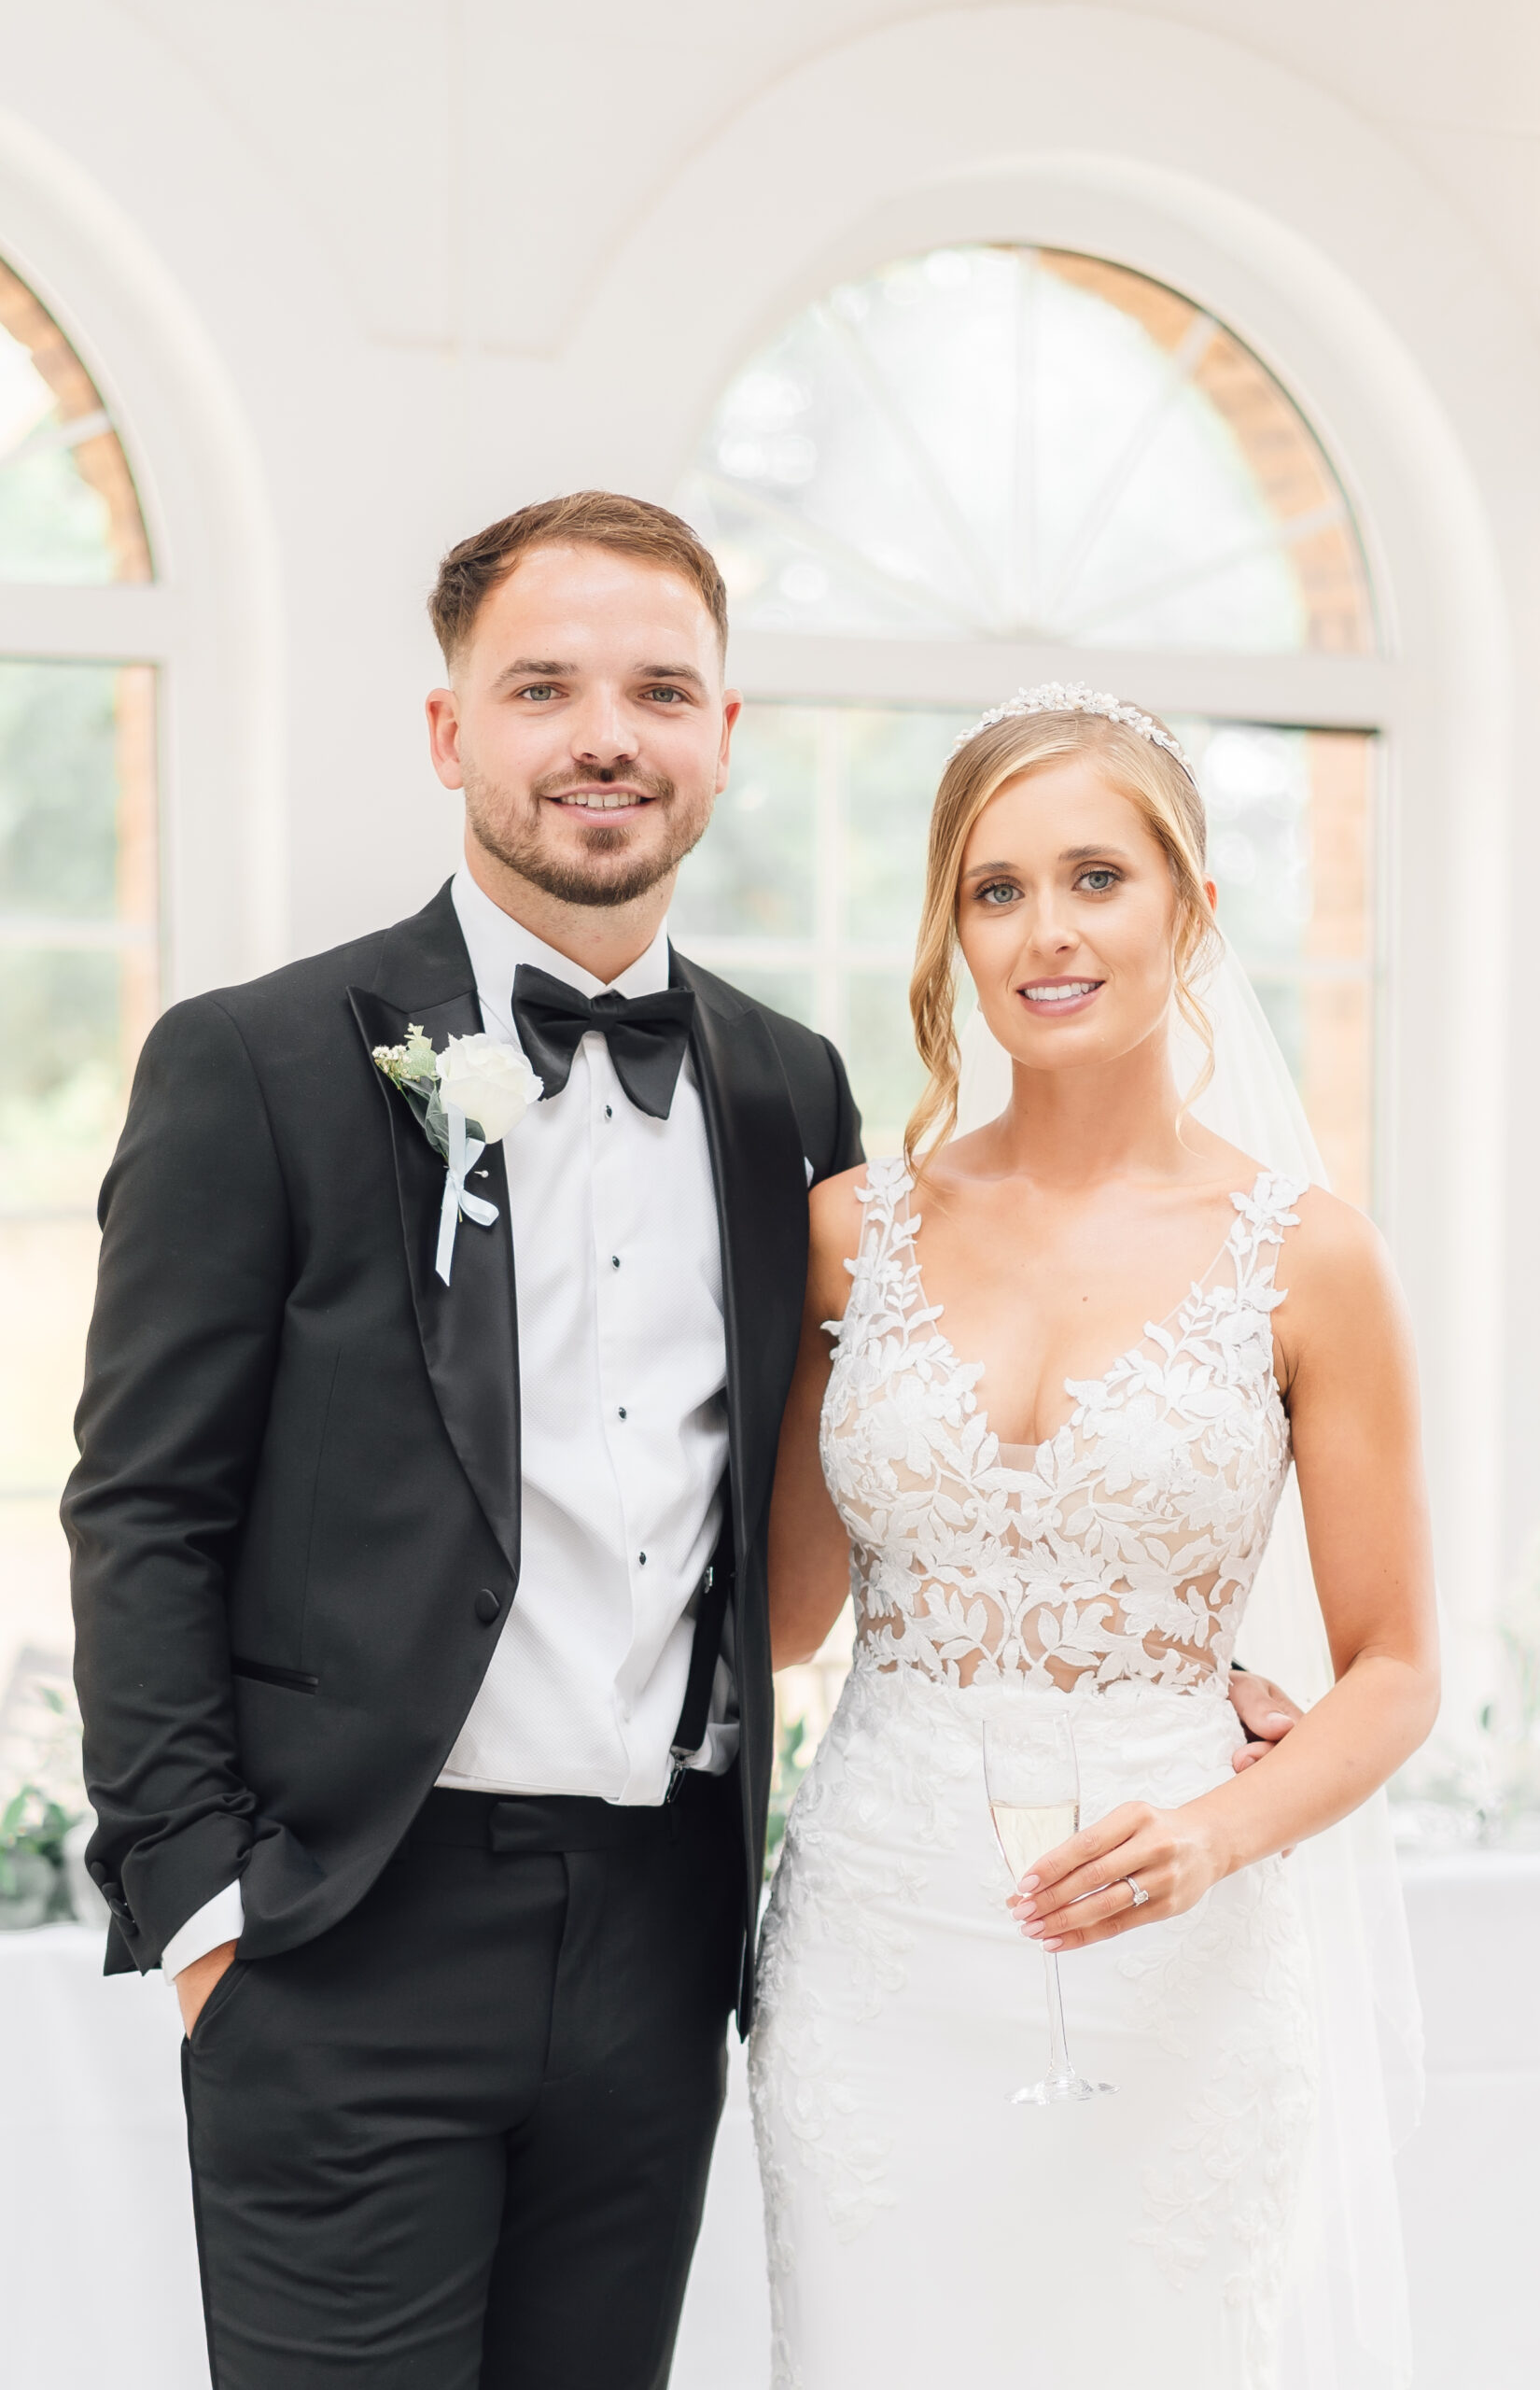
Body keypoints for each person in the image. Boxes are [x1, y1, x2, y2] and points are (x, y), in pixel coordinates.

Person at [64, 509, 1297, 2389]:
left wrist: (1151, 1651)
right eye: (540, 686)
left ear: (724, 729)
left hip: (662, 1941)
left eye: (654, 689)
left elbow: (880, 1470)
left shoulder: (786, 1090)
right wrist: (208, 1902)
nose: (601, 735)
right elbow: (144, 1504)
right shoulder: (260, 1060)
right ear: (444, 728)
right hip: (346, 1932)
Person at [754, 687, 1439, 2390]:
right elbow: (772, 1617)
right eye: (993, 890)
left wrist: (1216, 1834)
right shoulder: (848, 1239)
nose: (1043, 932)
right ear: (950, 930)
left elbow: (1396, 1669)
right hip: (880, 1939)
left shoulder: (1310, 1259)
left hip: (1170, 1952)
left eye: (1093, 878)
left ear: (1190, 910)